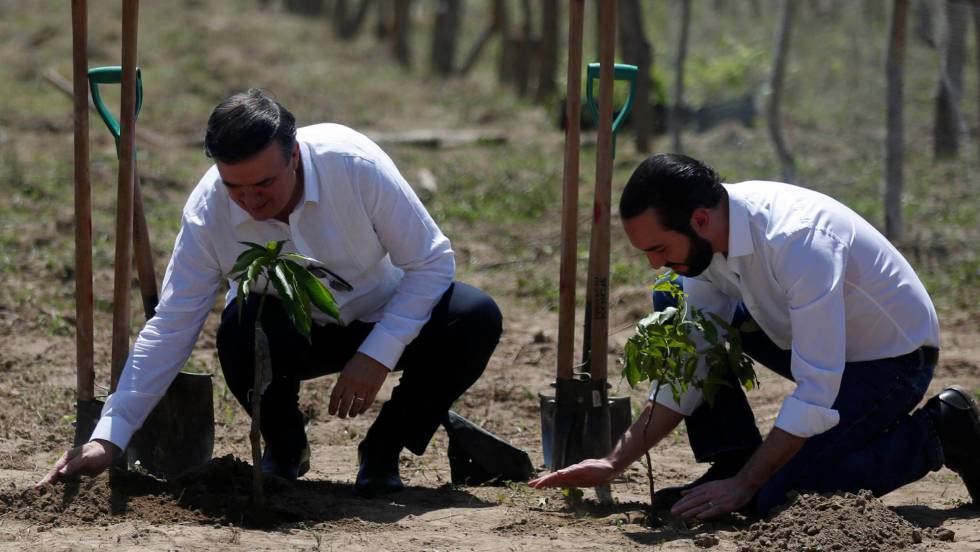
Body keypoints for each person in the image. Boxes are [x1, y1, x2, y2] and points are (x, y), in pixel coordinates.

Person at [38, 89, 502, 496]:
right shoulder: (209, 211)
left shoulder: (354, 167)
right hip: (289, 334)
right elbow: (174, 322)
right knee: (239, 329)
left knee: (474, 316)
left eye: (264, 183)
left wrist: (379, 352)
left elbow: (431, 261)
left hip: (380, 311)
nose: (251, 201)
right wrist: (110, 434)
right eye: (235, 187)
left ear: (295, 156)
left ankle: (382, 450)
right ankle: (284, 447)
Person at [530, 153, 980, 518]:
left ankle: (939, 432)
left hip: (893, 360)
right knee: (674, 301)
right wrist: (615, 461)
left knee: (775, 499)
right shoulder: (707, 248)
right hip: (806, 336)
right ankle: (733, 456)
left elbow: (816, 390)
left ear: (700, 219)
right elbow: (694, 362)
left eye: (659, 248)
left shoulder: (800, 242)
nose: (654, 263)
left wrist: (750, 483)